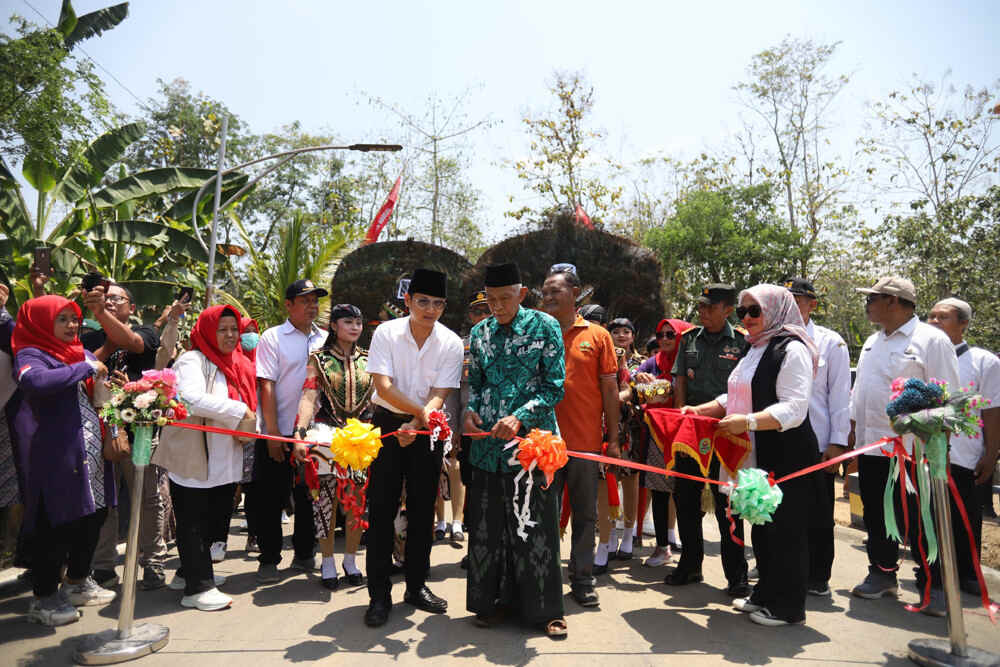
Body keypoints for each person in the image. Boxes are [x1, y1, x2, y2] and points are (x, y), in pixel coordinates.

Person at [691, 285, 820, 627]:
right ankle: (765, 593)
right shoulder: (756, 349)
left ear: (776, 311)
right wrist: (698, 411)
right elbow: (734, 393)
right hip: (754, 453)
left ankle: (788, 606)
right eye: (742, 312)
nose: (745, 318)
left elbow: (795, 408)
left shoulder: (792, 350)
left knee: (786, 531)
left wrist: (745, 422)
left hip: (785, 454)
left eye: (754, 311)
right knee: (762, 527)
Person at [463, 262, 567, 636]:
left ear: (522, 295)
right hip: (488, 448)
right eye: (491, 300)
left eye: (505, 299)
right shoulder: (479, 333)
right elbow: (474, 382)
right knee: (490, 531)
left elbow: (555, 387)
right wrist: (471, 411)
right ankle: (490, 604)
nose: (497, 306)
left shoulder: (545, 327)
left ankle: (546, 612)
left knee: (536, 529)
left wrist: (520, 416)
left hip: (532, 449)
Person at [849, 276, 959, 615]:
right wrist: (854, 432)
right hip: (872, 447)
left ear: (894, 301)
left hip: (914, 451)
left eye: (873, 297)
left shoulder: (931, 340)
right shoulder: (872, 341)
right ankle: (882, 573)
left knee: (922, 518)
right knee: (876, 514)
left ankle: (935, 584)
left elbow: (948, 395)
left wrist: (939, 446)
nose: (868, 304)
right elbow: (861, 393)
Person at [363, 268, 463, 627]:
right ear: (407, 301)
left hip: (427, 428)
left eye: (437, 303)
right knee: (381, 510)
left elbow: (441, 393)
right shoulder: (387, 333)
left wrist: (419, 422)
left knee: (423, 511)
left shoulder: (450, 342)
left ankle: (416, 586)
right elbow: (384, 387)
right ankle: (378, 595)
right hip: (388, 423)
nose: (429, 310)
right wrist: (413, 418)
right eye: (422, 301)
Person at [13, 295, 117, 626]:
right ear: (42, 322)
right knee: (57, 525)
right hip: (57, 455)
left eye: (74, 319)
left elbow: (96, 390)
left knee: (94, 518)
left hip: (92, 455)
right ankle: (44, 598)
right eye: (63, 320)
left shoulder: (80, 352)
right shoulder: (32, 354)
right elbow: (36, 382)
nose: (73, 326)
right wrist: (83, 368)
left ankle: (77, 582)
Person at [160, 305, 257, 611]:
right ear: (206, 331)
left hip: (225, 456)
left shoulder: (236, 362)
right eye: (222, 329)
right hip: (196, 455)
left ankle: (189, 571)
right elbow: (189, 397)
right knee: (194, 522)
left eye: (234, 329)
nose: (230, 336)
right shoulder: (193, 360)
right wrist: (238, 411)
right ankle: (197, 588)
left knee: (215, 520)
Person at [541, 264, 619, 608]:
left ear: (575, 293)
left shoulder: (598, 336)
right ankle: (543, 577)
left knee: (585, 514)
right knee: (543, 512)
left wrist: (613, 439)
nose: (547, 297)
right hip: (542, 445)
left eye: (555, 290)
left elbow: (610, 389)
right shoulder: (537, 332)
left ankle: (582, 579)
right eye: (544, 292)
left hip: (585, 444)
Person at [82, 283, 167, 590]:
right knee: (105, 502)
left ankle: (153, 561)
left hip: (141, 432)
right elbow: (84, 366)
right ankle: (103, 566)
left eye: (117, 298)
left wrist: (127, 386)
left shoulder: (147, 332)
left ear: (131, 307)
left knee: (147, 498)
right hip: (100, 434)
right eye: (106, 298)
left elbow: (130, 341)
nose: (110, 301)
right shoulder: (88, 336)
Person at [670, 284, 750, 597]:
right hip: (691, 431)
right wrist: (680, 417)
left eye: (710, 307)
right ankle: (690, 565)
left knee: (728, 504)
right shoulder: (689, 338)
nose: (702, 312)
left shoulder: (742, 342)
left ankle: (737, 575)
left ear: (727, 309)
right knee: (686, 499)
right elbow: (680, 380)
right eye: (701, 306)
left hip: (727, 431)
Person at [251, 280, 329, 583]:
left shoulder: (325, 338)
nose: (312, 306)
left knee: (310, 493)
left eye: (315, 301)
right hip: (279, 429)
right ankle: (269, 557)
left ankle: (305, 552)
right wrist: (271, 433)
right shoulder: (273, 337)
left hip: (313, 434)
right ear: (288, 305)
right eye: (304, 300)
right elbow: (266, 384)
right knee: (271, 498)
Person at [294, 303, 373, 591]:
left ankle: (350, 560)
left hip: (361, 438)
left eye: (358, 322)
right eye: (348, 322)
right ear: (334, 327)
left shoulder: (370, 359)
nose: (354, 327)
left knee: (356, 501)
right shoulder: (319, 359)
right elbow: (308, 397)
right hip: (326, 435)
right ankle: (327, 561)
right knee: (325, 500)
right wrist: (300, 433)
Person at [928, 297, 1000, 595]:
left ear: (963, 324)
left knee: (964, 516)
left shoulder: (985, 362)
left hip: (965, 455)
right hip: (926, 453)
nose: (933, 322)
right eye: (931, 316)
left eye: (942, 317)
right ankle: (933, 573)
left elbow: (993, 409)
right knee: (928, 517)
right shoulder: (922, 356)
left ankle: (968, 573)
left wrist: (992, 452)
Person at [785, 278, 851, 597]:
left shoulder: (831, 343)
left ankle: (817, 574)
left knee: (819, 513)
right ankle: (779, 566)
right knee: (779, 509)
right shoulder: (769, 339)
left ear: (812, 304)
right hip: (780, 440)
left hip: (818, 442)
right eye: (787, 299)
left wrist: (838, 444)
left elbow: (840, 398)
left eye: (799, 300)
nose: (793, 306)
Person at [634, 318, 692, 567]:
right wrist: (640, 380)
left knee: (687, 495)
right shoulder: (653, 363)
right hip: (658, 437)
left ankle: (691, 553)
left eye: (671, 334)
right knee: (658, 492)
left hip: (688, 436)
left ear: (681, 336)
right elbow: (633, 381)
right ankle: (661, 547)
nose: (665, 339)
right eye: (661, 334)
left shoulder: (690, 363)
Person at [442, 291, 491, 557]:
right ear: (470, 317)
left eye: (486, 310)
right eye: (476, 312)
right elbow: (453, 392)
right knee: (473, 487)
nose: (482, 316)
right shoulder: (460, 347)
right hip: (470, 431)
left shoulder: (509, 343)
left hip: (500, 430)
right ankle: (475, 551)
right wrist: (453, 430)